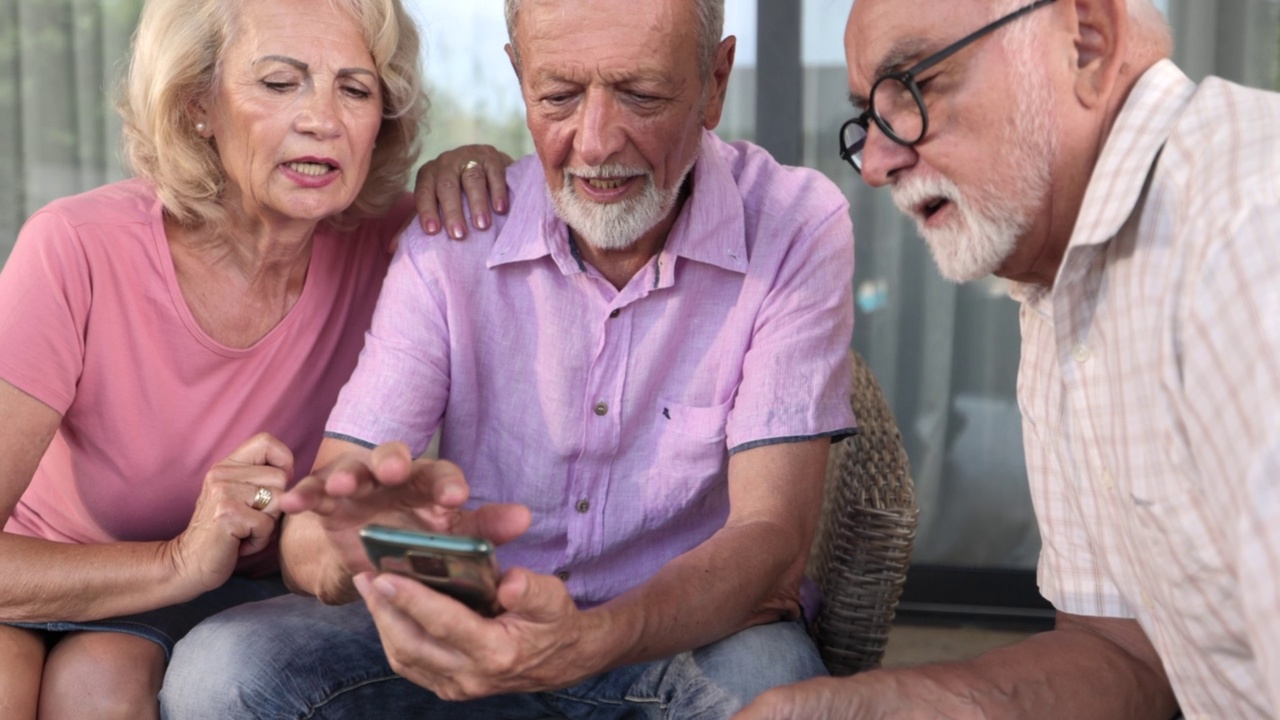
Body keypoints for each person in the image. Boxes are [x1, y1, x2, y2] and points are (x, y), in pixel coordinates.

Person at [425, 0, 1280, 717]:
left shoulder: (1244, 232)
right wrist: (894, 703)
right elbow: (1129, 654)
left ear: (1085, 41)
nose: (874, 161)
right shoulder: (1057, 296)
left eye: (916, 85)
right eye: (868, 113)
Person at [158, 0, 858, 717]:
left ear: (714, 83)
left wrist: (592, 639)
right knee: (224, 668)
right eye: (557, 96)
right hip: (473, 619)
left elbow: (771, 540)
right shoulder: (453, 238)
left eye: (641, 95)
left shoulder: (795, 224)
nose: (594, 142)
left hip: (679, 638)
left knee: (780, 688)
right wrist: (363, 545)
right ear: (519, 76)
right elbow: (316, 524)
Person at [0, 0, 428, 716]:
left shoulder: (401, 247)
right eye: (279, 82)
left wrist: (470, 169)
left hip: (223, 599)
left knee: (98, 684)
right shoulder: (75, 246)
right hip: (43, 573)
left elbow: (526, 213)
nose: (323, 117)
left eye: (355, 89)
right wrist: (176, 561)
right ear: (200, 105)